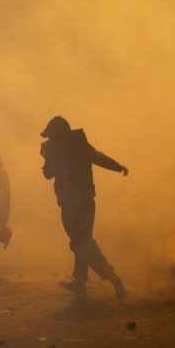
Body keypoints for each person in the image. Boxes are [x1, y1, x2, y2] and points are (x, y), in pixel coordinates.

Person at [40, 116, 128, 298]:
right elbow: (98, 158)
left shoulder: (60, 150)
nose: (50, 140)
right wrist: (117, 167)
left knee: (81, 243)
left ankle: (90, 279)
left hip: (74, 204)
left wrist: (48, 158)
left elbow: (48, 174)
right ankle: (101, 279)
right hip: (83, 203)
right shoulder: (79, 146)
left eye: (52, 137)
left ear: (59, 135)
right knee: (83, 243)